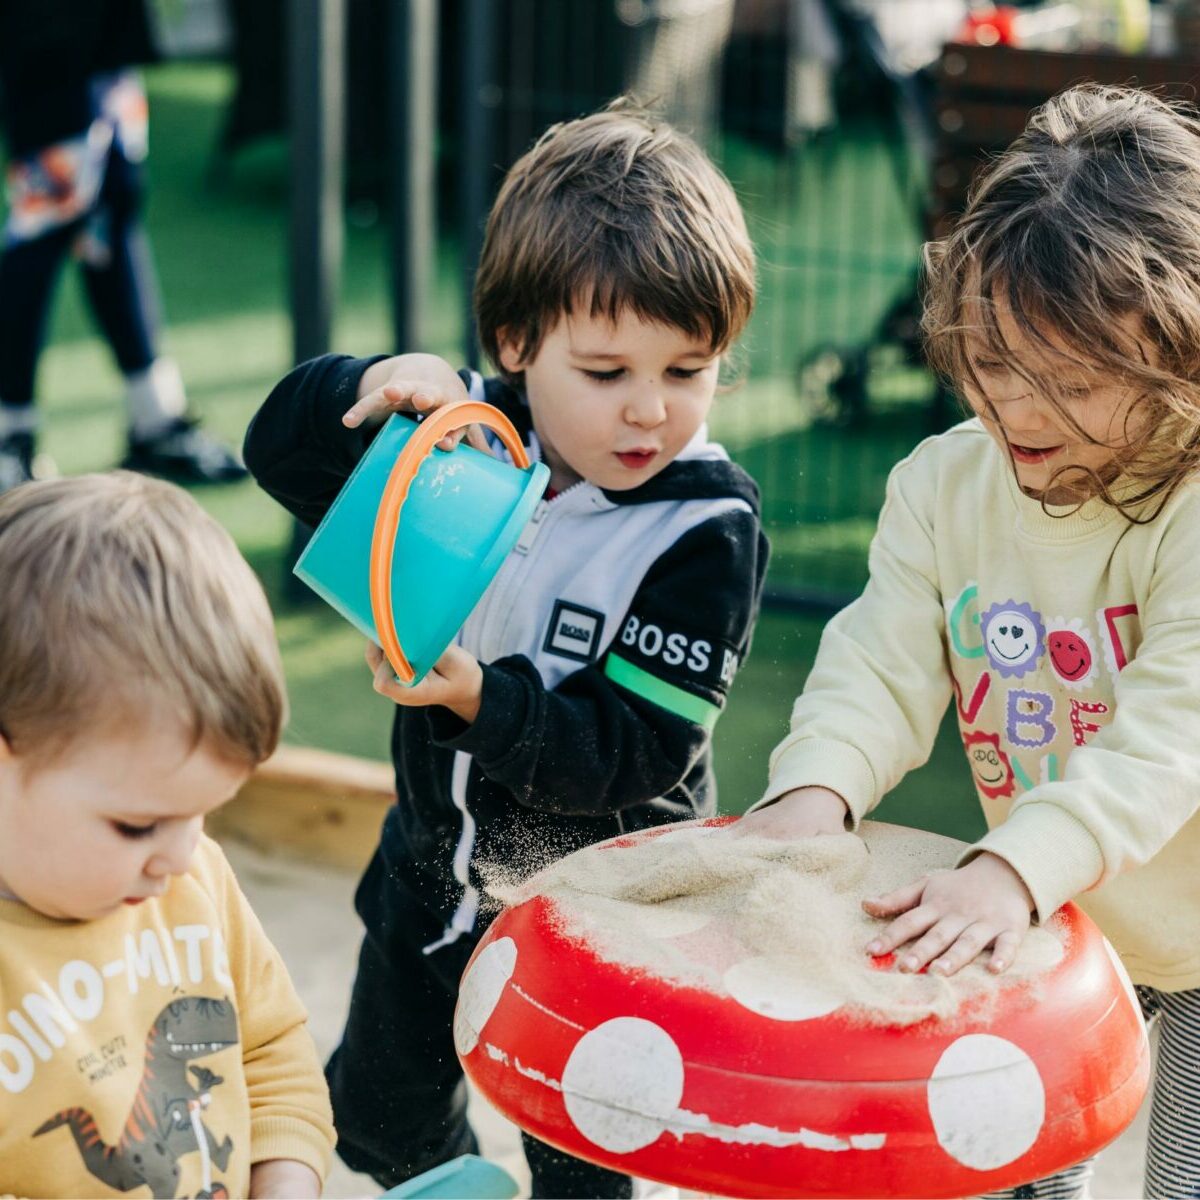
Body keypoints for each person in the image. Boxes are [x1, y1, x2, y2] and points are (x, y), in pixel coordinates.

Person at [244, 101, 768, 1197]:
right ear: (518, 345)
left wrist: (482, 699)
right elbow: (277, 453)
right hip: (430, 871)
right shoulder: (463, 444)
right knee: (377, 1123)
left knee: (583, 1160)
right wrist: (371, 385)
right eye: (607, 371)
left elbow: (639, 750)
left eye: (688, 371)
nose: (648, 411)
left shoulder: (703, 529)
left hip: (598, 916)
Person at [737, 84, 1200, 1199]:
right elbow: (880, 662)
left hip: (1191, 934)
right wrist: (816, 789)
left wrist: (1009, 867)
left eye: (1073, 384)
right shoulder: (946, 485)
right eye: (995, 363)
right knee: (1023, 1166)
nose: (1020, 412)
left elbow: (1170, 736)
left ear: (1180, 357)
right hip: (1055, 916)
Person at [0, 472, 335, 1198]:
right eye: (138, 825)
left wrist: (285, 1180)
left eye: (204, 812)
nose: (182, 857)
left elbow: (271, 1054)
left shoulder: (195, 879)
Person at [0, 0, 248, 495]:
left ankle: (154, 417)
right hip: (47, 34)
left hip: (103, 37)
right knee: (45, 220)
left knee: (113, 205)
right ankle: (9, 436)